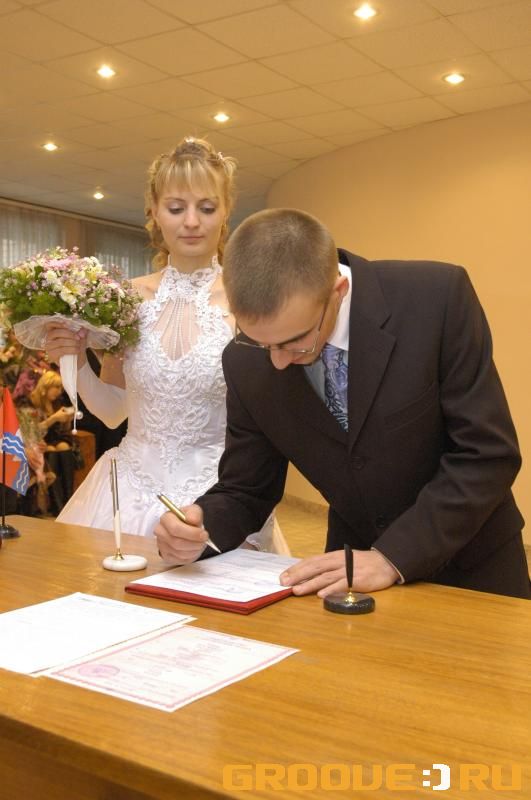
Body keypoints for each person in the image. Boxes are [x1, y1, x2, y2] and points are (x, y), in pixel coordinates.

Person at [155, 207, 530, 600]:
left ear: (338, 291)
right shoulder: (243, 359)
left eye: (294, 342)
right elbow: (247, 487)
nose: (277, 361)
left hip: (473, 569)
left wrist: (391, 557)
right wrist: (200, 526)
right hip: (348, 578)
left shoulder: (437, 298)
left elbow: (486, 455)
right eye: (261, 343)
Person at [45, 138, 287, 552]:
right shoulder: (126, 299)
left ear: (225, 212)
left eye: (206, 208)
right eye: (176, 208)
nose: (191, 221)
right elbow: (113, 410)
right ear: (154, 213)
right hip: (128, 489)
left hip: (217, 495)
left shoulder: (248, 302)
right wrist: (76, 361)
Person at [17, 370, 75, 514]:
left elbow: (61, 432)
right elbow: (31, 430)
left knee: (64, 446)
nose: (58, 392)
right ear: (45, 386)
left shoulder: (57, 403)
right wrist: (53, 419)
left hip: (52, 439)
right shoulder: (30, 402)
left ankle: (67, 499)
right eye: (56, 387)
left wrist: (67, 420)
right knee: (52, 449)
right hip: (35, 440)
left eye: (60, 388)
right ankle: (55, 503)